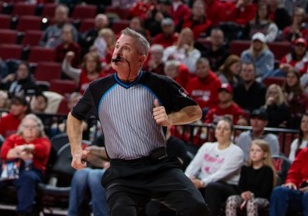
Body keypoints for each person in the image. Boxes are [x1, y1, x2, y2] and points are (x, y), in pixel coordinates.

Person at [67, 28, 207, 216]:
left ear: (141, 59)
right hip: (121, 173)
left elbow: (195, 111)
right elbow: (74, 117)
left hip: (158, 167)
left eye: (126, 48)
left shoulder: (160, 83)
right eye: (117, 46)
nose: (117, 51)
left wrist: (170, 118)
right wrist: (76, 151)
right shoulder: (97, 89)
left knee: (196, 207)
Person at [184, 118, 245, 216]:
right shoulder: (207, 146)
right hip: (202, 182)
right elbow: (193, 166)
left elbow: (221, 173)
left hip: (226, 186)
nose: (221, 131)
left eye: (225, 129)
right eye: (219, 128)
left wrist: (202, 182)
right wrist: (186, 179)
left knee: (212, 187)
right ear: (215, 131)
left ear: (231, 133)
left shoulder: (236, 151)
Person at [225, 139, 275, 216]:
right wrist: (242, 194)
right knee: (231, 199)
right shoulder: (245, 168)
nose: (254, 153)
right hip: (245, 196)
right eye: (252, 150)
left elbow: (265, 191)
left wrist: (251, 194)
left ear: (265, 154)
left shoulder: (267, 170)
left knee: (252, 202)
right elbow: (240, 186)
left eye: (258, 150)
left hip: (261, 198)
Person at [269, 145, 308, 216]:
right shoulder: (304, 152)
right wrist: (291, 182)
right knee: (279, 191)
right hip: (300, 192)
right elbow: (293, 174)